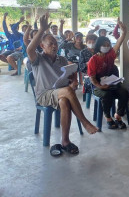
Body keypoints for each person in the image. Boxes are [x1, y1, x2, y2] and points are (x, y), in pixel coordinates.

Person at [27, 14, 98, 155]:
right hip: (44, 95)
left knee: (65, 101)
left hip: (61, 93)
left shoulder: (62, 60)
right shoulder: (38, 59)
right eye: (50, 44)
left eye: (55, 44)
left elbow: (71, 82)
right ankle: (85, 122)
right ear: (42, 46)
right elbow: (29, 49)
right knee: (66, 92)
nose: (54, 46)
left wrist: (74, 83)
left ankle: (65, 141)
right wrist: (41, 30)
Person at [87, 18, 129, 130]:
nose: (107, 46)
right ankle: (108, 117)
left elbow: (118, 44)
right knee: (107, 95)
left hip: (111, 84)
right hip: (98, 86)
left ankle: (118, 116)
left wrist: (124, 33)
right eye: (104, 44)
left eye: (108, 44)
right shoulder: (93, 60)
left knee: (124, 93)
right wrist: (100, 86)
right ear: (99, 46)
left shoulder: (110, 55)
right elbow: (92, 78)